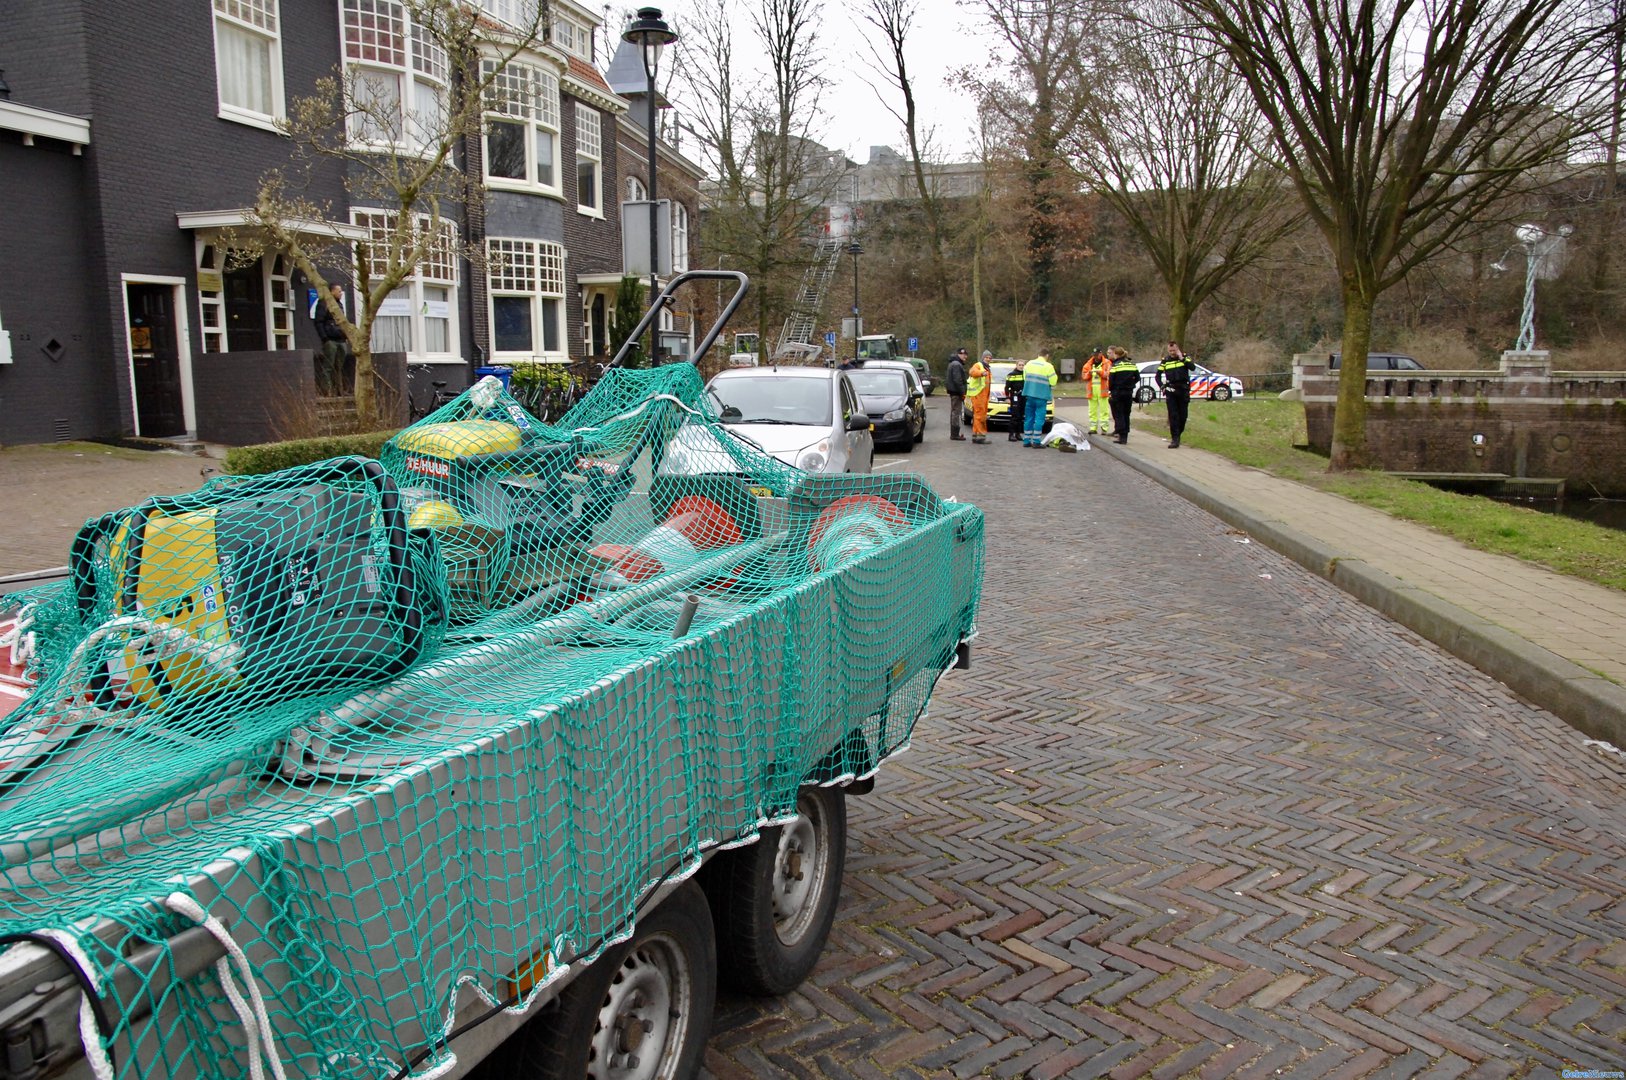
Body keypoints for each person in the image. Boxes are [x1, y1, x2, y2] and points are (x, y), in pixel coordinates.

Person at [1156, 341, 1196, 448]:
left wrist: (1182, 358)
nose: (1172, 352)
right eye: (1170, 351)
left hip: (1183, 390)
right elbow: (1157, 376)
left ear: (1177, 349)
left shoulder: (1184, 358)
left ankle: (1178, 433)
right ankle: (1175, 439)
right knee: (1173, 415)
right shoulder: (1165, 361)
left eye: (1174, 350)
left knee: (1183, 416)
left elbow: (1192, 367)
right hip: (1171, 390)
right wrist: (1162, 387)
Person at [313, 283, 348, 397]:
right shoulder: (323, 303)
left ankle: (339, 390)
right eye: (339, 291)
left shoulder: (340, 305)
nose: (341, 293)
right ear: (332, 291)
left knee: (340, 367)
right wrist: (325, 338)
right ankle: (327, 391)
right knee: (328, 366)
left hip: (341, 340)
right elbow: (318, 322)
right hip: (330, 340)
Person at [1021, 347, 1058, 447]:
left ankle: (1026, 440)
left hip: (1029, 394)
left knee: (1028, 418)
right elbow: (1053, 381)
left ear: (1038, 355)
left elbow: (1025, 378)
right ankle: (1036, 441)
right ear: (1047, 356)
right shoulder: (1048, 366)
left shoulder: (1029, 364)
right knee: (1039, 419)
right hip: (1041, 396)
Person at [1107, 346, 1141, 444]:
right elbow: (1138, 378)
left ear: (1116, 354)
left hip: (1117, 393)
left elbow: (1111, 381)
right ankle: (1125, 435)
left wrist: (1111, 390)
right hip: (1129, 392)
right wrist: (1131, 384)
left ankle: (1121, 436)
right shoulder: (1131, 364)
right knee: (1126, 414)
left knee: (1119, 414)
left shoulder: (1115, 366)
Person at [1080, 347, 1112, 435]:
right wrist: (1089, 374)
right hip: (1092, 390)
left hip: (1103, 390)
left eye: (1097, 355)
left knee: (1104, 410)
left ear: (1101, 354)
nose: (1096, 357)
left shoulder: (1107, 363)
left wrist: (1100, 372)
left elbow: (1109, 375)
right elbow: (1083, 376)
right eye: (1094, 355)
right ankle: (1093, 428)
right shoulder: (1088, 364)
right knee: (1092, 410)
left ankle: (1104, 428)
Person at [967, 350, 992, 443]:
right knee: (979, 416)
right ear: (983, 358)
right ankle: (980, 437)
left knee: (980, 415)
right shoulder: (979, 365)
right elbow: (972, 372)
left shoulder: (987, 368)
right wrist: (981, 373)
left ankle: (976, 435)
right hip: (978, 394)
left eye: (990, 358)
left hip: (983, 395)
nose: (988, 359)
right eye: (987, 357)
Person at [944, 348, 969, 440]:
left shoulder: (953, 363)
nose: (965, 356)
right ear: (959, 354)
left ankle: (954, 433)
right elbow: (958, 380)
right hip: (956, 392)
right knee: (956, 413)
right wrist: (963, 392)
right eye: (964, 354)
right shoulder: (956, 365)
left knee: (954, 412)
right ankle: (955, 434)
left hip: (954, 391)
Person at [1003, 359, 1026, 441]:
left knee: (1021, 416)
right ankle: (1011, 434)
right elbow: (1007, 387)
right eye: (1019, 365)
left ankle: (1018, 434)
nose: (1021, 366)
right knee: (1015, 416)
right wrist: (1008, 397)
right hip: (1015, 396)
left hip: (1023, 397)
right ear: (1016, 365)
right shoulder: (1011, 375)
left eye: (1022, 365)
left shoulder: (1025, 374)